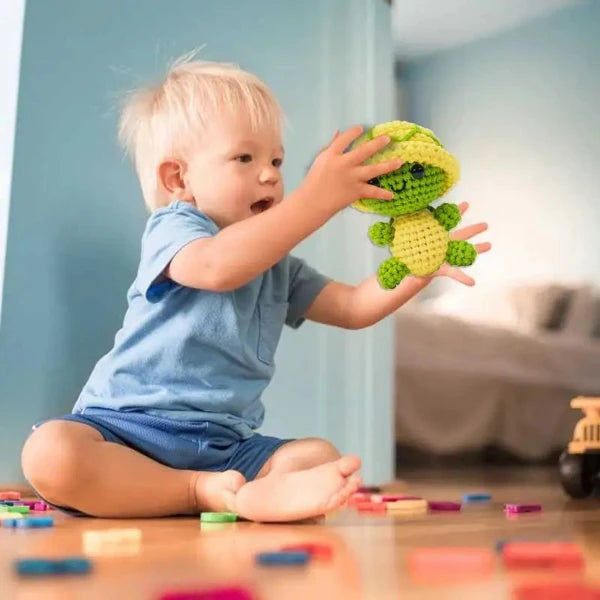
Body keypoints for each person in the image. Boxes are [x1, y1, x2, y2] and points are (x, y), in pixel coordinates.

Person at [21, 57, 490, 521]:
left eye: (277, 160)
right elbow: (216, 267)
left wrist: (418, 268)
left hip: (226, 445)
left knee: (319, 457)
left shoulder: (276, 266)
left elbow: (352, 307)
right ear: (178, 179)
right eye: (245, 158)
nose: (269, 174)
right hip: (124, 431)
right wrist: (316, 200)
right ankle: (197, 492)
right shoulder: (175, 228)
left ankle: (229, 491)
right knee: (50, 453)